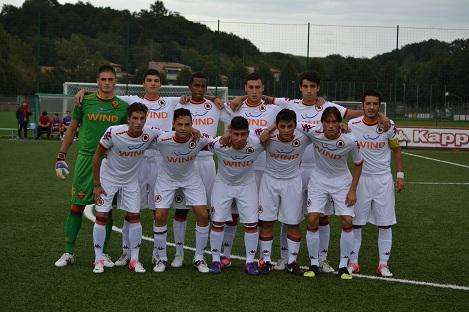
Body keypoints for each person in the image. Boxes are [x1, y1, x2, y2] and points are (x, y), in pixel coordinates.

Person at [265, 71, 389, 272]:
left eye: (312, 87)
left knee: (321, 217)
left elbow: (352, 114)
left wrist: (380, 115)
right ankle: (285, 258)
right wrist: (266, 126)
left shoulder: (328, 107)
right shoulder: (290, 104)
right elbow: (265, 98)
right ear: (300, 87)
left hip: (321, 169)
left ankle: (321, 260)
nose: (308, 90)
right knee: (290, 216)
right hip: (294, 170)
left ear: (318, 88)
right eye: (305, 86)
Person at [54, 65, 128, 268]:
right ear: (97, 81)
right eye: (103, 79)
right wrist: (61, 154)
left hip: (109, 162)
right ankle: (68, 251)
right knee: (76, 206)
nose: (107, 82)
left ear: (115, 82)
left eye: (110, 79)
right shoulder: (84, 101)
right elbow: (72, 129)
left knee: (106, 210)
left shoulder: (122, 106)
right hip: (86, 160)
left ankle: (102, 253)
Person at [92, 102, 163, 274]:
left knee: (134, 216)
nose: (138, 122)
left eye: (142, 118)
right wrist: (96, 185)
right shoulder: (114, 132)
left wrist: (192, 132)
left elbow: (171, 138)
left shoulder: (150, 134)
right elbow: (97, 156)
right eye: (135, 118)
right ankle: (98, 259)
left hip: (131, 180)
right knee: (102, 215)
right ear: (128, 119)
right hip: (108, 179)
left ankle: (134, 260)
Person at [170, 73, 231, 268]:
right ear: (189, 86)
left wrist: (227, 137)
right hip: (185, 162)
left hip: (206, 162)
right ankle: (179, 254)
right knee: (181, 210)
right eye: (196, 85)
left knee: (206, 211)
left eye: (203, 86)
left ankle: (200, 255)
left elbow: (233, 120)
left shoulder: (214, 105)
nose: (199, 89)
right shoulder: (181, 105)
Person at [221, 72, 281, 268]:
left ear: (263, 89)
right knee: (233, 214)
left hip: (265, 169)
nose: (254, 91)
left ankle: (264, 257)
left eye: (258, 88)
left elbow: (294, 112)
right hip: (239, 169)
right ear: (245, 88)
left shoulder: (272, 109)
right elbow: (219, 115)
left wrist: (270, 129)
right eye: (251, 88)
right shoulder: (236, 108)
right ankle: (225, 255)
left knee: (263, 215)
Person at [299, 106, 363, 280]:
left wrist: (352, 190)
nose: (331, 125)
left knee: (347, 220)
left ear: (340, 123)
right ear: (322, 123)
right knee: (312, 218)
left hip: (342, 181)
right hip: (318, 180)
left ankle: (343, 266)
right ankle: (314, 264)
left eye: (334, 122)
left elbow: (358, 163)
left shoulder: (350, 141)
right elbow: (290, 122)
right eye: (327, 122)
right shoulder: (313, 132)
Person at [348, 90, 404, 277]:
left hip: (383, 180)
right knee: (356, 224)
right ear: (362, 105)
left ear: (379, 106)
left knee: (385, 224)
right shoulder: (352, 125)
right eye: (368, 103)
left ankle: (383, 264)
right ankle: (353, 263)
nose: (371, 107)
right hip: (360, 180)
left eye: (375, 104)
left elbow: (396, 150)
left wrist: (400, 175)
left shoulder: (389, 125)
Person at [152, 108, 211, 273]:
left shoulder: (199, 139)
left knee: (203, 215)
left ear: (192, 125)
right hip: (166, 179)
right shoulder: (163, 139)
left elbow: (219, 142)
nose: (183, 128)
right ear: (173, 124)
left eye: (187, 124)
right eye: (180, 124)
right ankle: (162, 258)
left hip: (191, 178)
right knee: (160, 215)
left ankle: (199, 257)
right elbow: (140, 139)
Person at [256, 109, 313, 275]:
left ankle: (292, 261)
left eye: (290, 126)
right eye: (282, 126)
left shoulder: (304, 137)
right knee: (267, 222)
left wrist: (343, 127)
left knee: (293, 223)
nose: (287, 130)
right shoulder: (267, 137)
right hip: (269, 182)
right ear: (277, 125)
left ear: (295, 125)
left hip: (293, 183)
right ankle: (265, 261)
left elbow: (323, 128)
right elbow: (250, 136)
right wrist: (268, 130)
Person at [208, 116, 266, 275]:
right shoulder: (219, 144)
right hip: (223, 185)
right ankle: (215, 260)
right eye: (236, 134)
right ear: (230, 132)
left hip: (247, 185)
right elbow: (200, 140)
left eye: (243, 134)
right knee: (218, 222)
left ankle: (250, 262)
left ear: (248, 133)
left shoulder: (256, 142)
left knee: (251, 224)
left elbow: (272, 135)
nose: (240, 138)